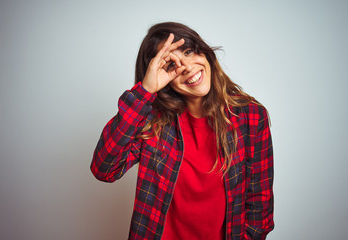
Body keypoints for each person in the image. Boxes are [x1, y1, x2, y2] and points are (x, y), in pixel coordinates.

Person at [91, 22, 274, 240]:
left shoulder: (250, 116)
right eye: (171, 65)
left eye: (188, 51)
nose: (186, 67)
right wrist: (146, 91)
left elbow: (259, 206)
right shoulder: (153, 120)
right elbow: (104, 169)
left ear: (204, 53)